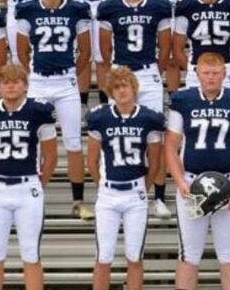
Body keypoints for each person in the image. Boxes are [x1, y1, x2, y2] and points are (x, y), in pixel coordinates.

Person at [166, 53, 230, 290]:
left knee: (229, 254)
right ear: (196, 74)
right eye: (206, 73)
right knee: (188, 254)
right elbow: (171, 146)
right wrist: (180, 182)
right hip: (192, 184)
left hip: (228, 184)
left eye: (215, 73)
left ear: (225, 74)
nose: (210, 78)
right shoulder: (182, 100)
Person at [96, 0, 175, 217]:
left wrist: (155, 69)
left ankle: (159, 197)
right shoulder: (109, 7)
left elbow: (165, 46)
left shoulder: (158, 5)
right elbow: (105, 48)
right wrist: (116, 71)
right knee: (116, 133)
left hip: (148, 71)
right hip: (121, 72)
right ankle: (113, 193)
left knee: (155, 138)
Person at [15, 0, 93, 220]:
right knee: (34, 142)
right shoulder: (27, 10)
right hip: (38, 82)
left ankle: (78, 201)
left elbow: (85, 52)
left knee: (73, 142)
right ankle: (32, 196)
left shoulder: (76, 10)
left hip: (65, 82)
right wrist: (34, 74)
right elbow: (22, 51)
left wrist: (70, 71)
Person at [0, 63, 58, 290]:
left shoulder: (40, 111)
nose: (11, 86)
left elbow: (50, 157)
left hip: (27, 187)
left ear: (25, 86)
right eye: (6, 82)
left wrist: (39, 183)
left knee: (31, 252)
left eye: (16, 82)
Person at [87, 65, 165, 290]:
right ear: (111, 91)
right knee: (103, 257)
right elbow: (91, 160)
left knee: (134, 256)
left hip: (135, 193)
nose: (122, 91)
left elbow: (156, 161)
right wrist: (102, 184)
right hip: (108, 193)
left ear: (135, 88)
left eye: (126, 86)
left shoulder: (149, 118)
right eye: (117, 87)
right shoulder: (100, 117)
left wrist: (143, 187)